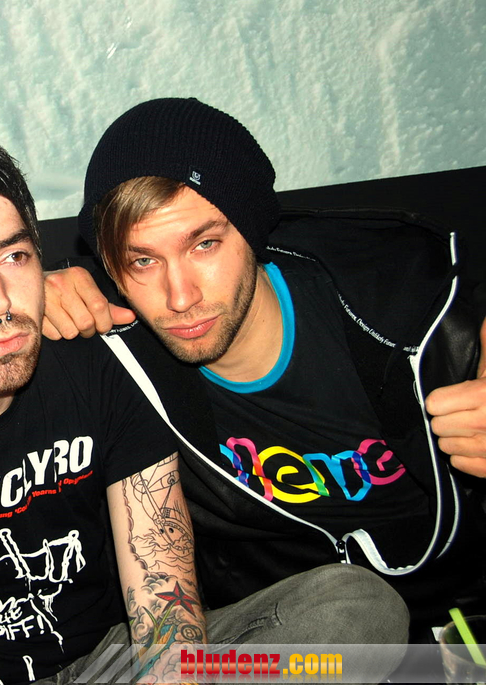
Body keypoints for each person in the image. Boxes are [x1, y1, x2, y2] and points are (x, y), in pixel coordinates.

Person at [0, 115, 406, 685]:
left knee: (353, 611)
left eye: (13, 256)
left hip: (119, 662)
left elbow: (164, 613)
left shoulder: (105, 369)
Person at [43, 97, 486, 634]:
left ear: (252, 232)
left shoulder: (405, 308)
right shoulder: (120, 361)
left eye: (204, 245)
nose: (180, 296)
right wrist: (22, 303)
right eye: (143, 260)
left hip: (464, 615)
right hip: (290, 644)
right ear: (112, 270)